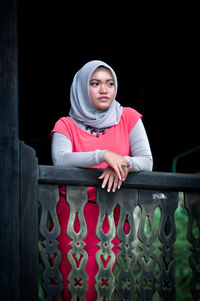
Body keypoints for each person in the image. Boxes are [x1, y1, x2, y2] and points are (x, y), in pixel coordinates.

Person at [51, 60, 153, 300]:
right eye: (95, 84)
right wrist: (103, 155)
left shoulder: (127, 117)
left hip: (113, 211)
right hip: (73, 213)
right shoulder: (65, 124)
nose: (104, 89)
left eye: (109, 83)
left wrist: (121, 164)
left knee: (103, 283)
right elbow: (61, 159)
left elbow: (146, 161)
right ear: (80, 89)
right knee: (72, 283)